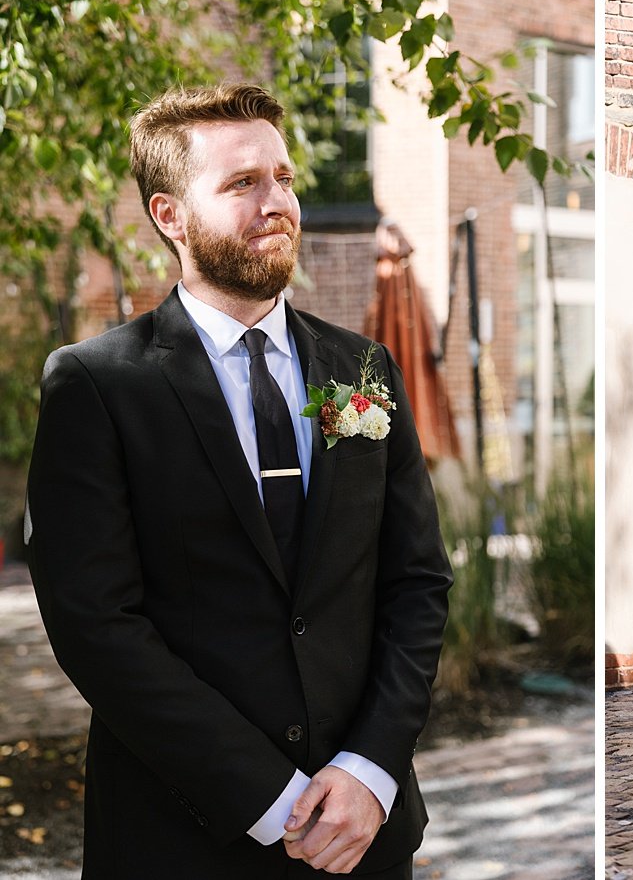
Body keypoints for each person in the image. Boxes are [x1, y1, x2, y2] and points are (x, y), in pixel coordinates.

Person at [24, 84, 452, 878]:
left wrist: (369, 769)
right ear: (170, 216)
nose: (277, 203)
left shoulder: (362, 368)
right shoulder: (94, 386)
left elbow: (418, 581)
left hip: (363, 834)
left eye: (284, 179)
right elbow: (96, 625)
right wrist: (271, 798)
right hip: (183, 838)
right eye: (242, 183)